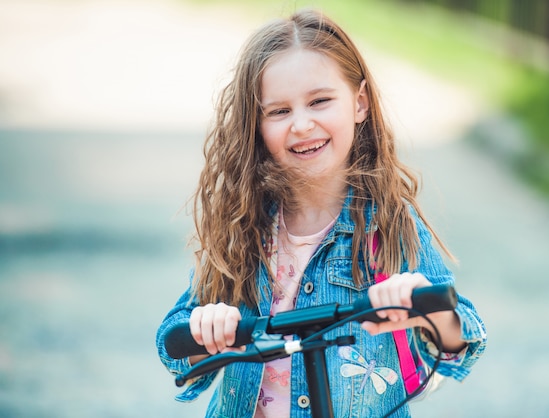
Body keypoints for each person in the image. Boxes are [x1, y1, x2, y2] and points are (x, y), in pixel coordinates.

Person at [156, 8, 486, 418]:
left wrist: (423, 308)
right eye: (279, 111)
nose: (301, 124)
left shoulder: (386, 223)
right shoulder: (244, 227)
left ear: (359, 103)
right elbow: (173, 343)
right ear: (256, 125)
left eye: (320, 101)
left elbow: (463, 335)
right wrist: (207, 328)